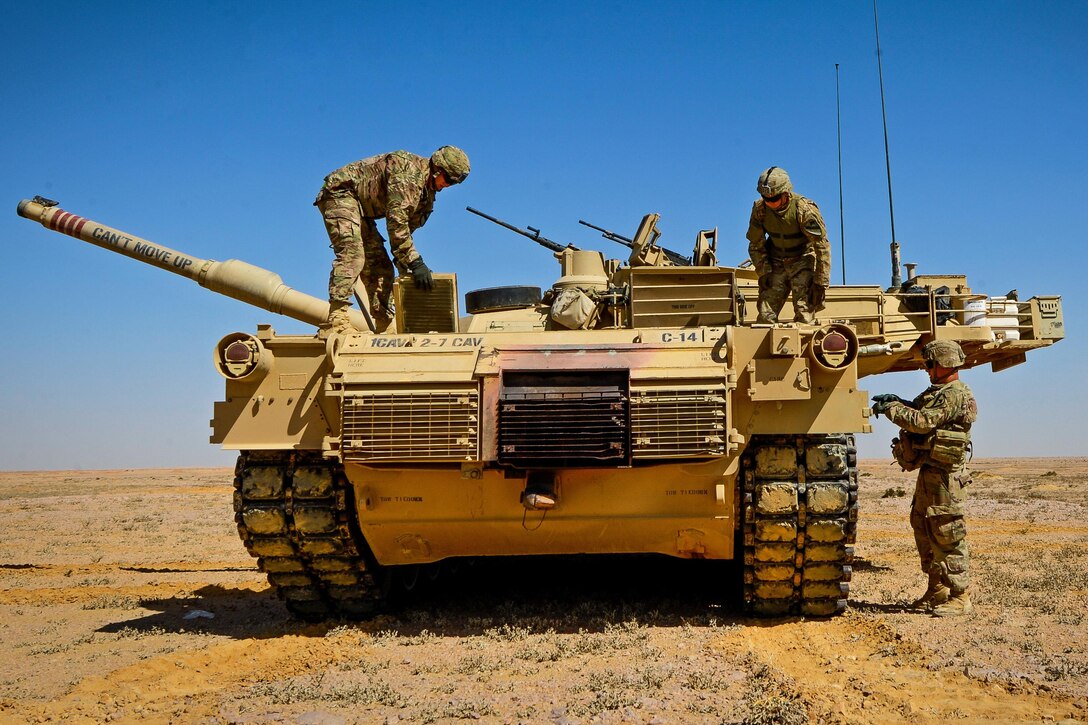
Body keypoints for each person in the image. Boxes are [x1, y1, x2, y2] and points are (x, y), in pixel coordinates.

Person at [314, 146, 470, 335]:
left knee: (381, 266)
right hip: (340, 194)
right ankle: (336, 321)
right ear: (437, 169)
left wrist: (406, 263)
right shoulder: (407, 173)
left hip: (363, 210)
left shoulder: (426, 195)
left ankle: (384, 323)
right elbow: (396, 225)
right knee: (353, 254)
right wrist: (415, 261)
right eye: (448, 179)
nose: (448, 186)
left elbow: (406, 231)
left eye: (453, 183)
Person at [872, 340, 978, 617]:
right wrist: (895, 401)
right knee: (922, 524)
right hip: (931, 471)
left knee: (946, 532)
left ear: (943, 364)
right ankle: (937, 589)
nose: (926, 369)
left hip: (945, 476)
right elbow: (916, 409)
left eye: (930, 364)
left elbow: (921, 422)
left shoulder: (953, 394)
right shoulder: (938, 392)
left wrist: (891, 409)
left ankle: (959, 595)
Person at [745, 166, 831, 324]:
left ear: (785, 194)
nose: (770, 203)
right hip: (776, 261)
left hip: (802, 260)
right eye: (766, 199)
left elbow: (822, 247)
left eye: (774, 199)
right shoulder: (760, 209)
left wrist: (820, 282)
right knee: (765, 315)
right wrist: (763, 271)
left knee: (804, 314)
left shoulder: (804, 210)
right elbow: (755, 244)